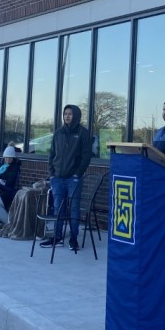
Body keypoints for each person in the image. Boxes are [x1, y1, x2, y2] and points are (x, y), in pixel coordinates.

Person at [43, 104, 92, 251]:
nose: (67, 116)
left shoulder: (83, 133)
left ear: (76, 115)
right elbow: (52, 155)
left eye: (70, 114)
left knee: (74, 210)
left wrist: (78, 174)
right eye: (65, 114)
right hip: (57, 178)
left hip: (73, 179)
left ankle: (73, 238)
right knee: (58, 208)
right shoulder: (58, 133)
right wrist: (51, 174)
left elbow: (86, 156)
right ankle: (58, 237)